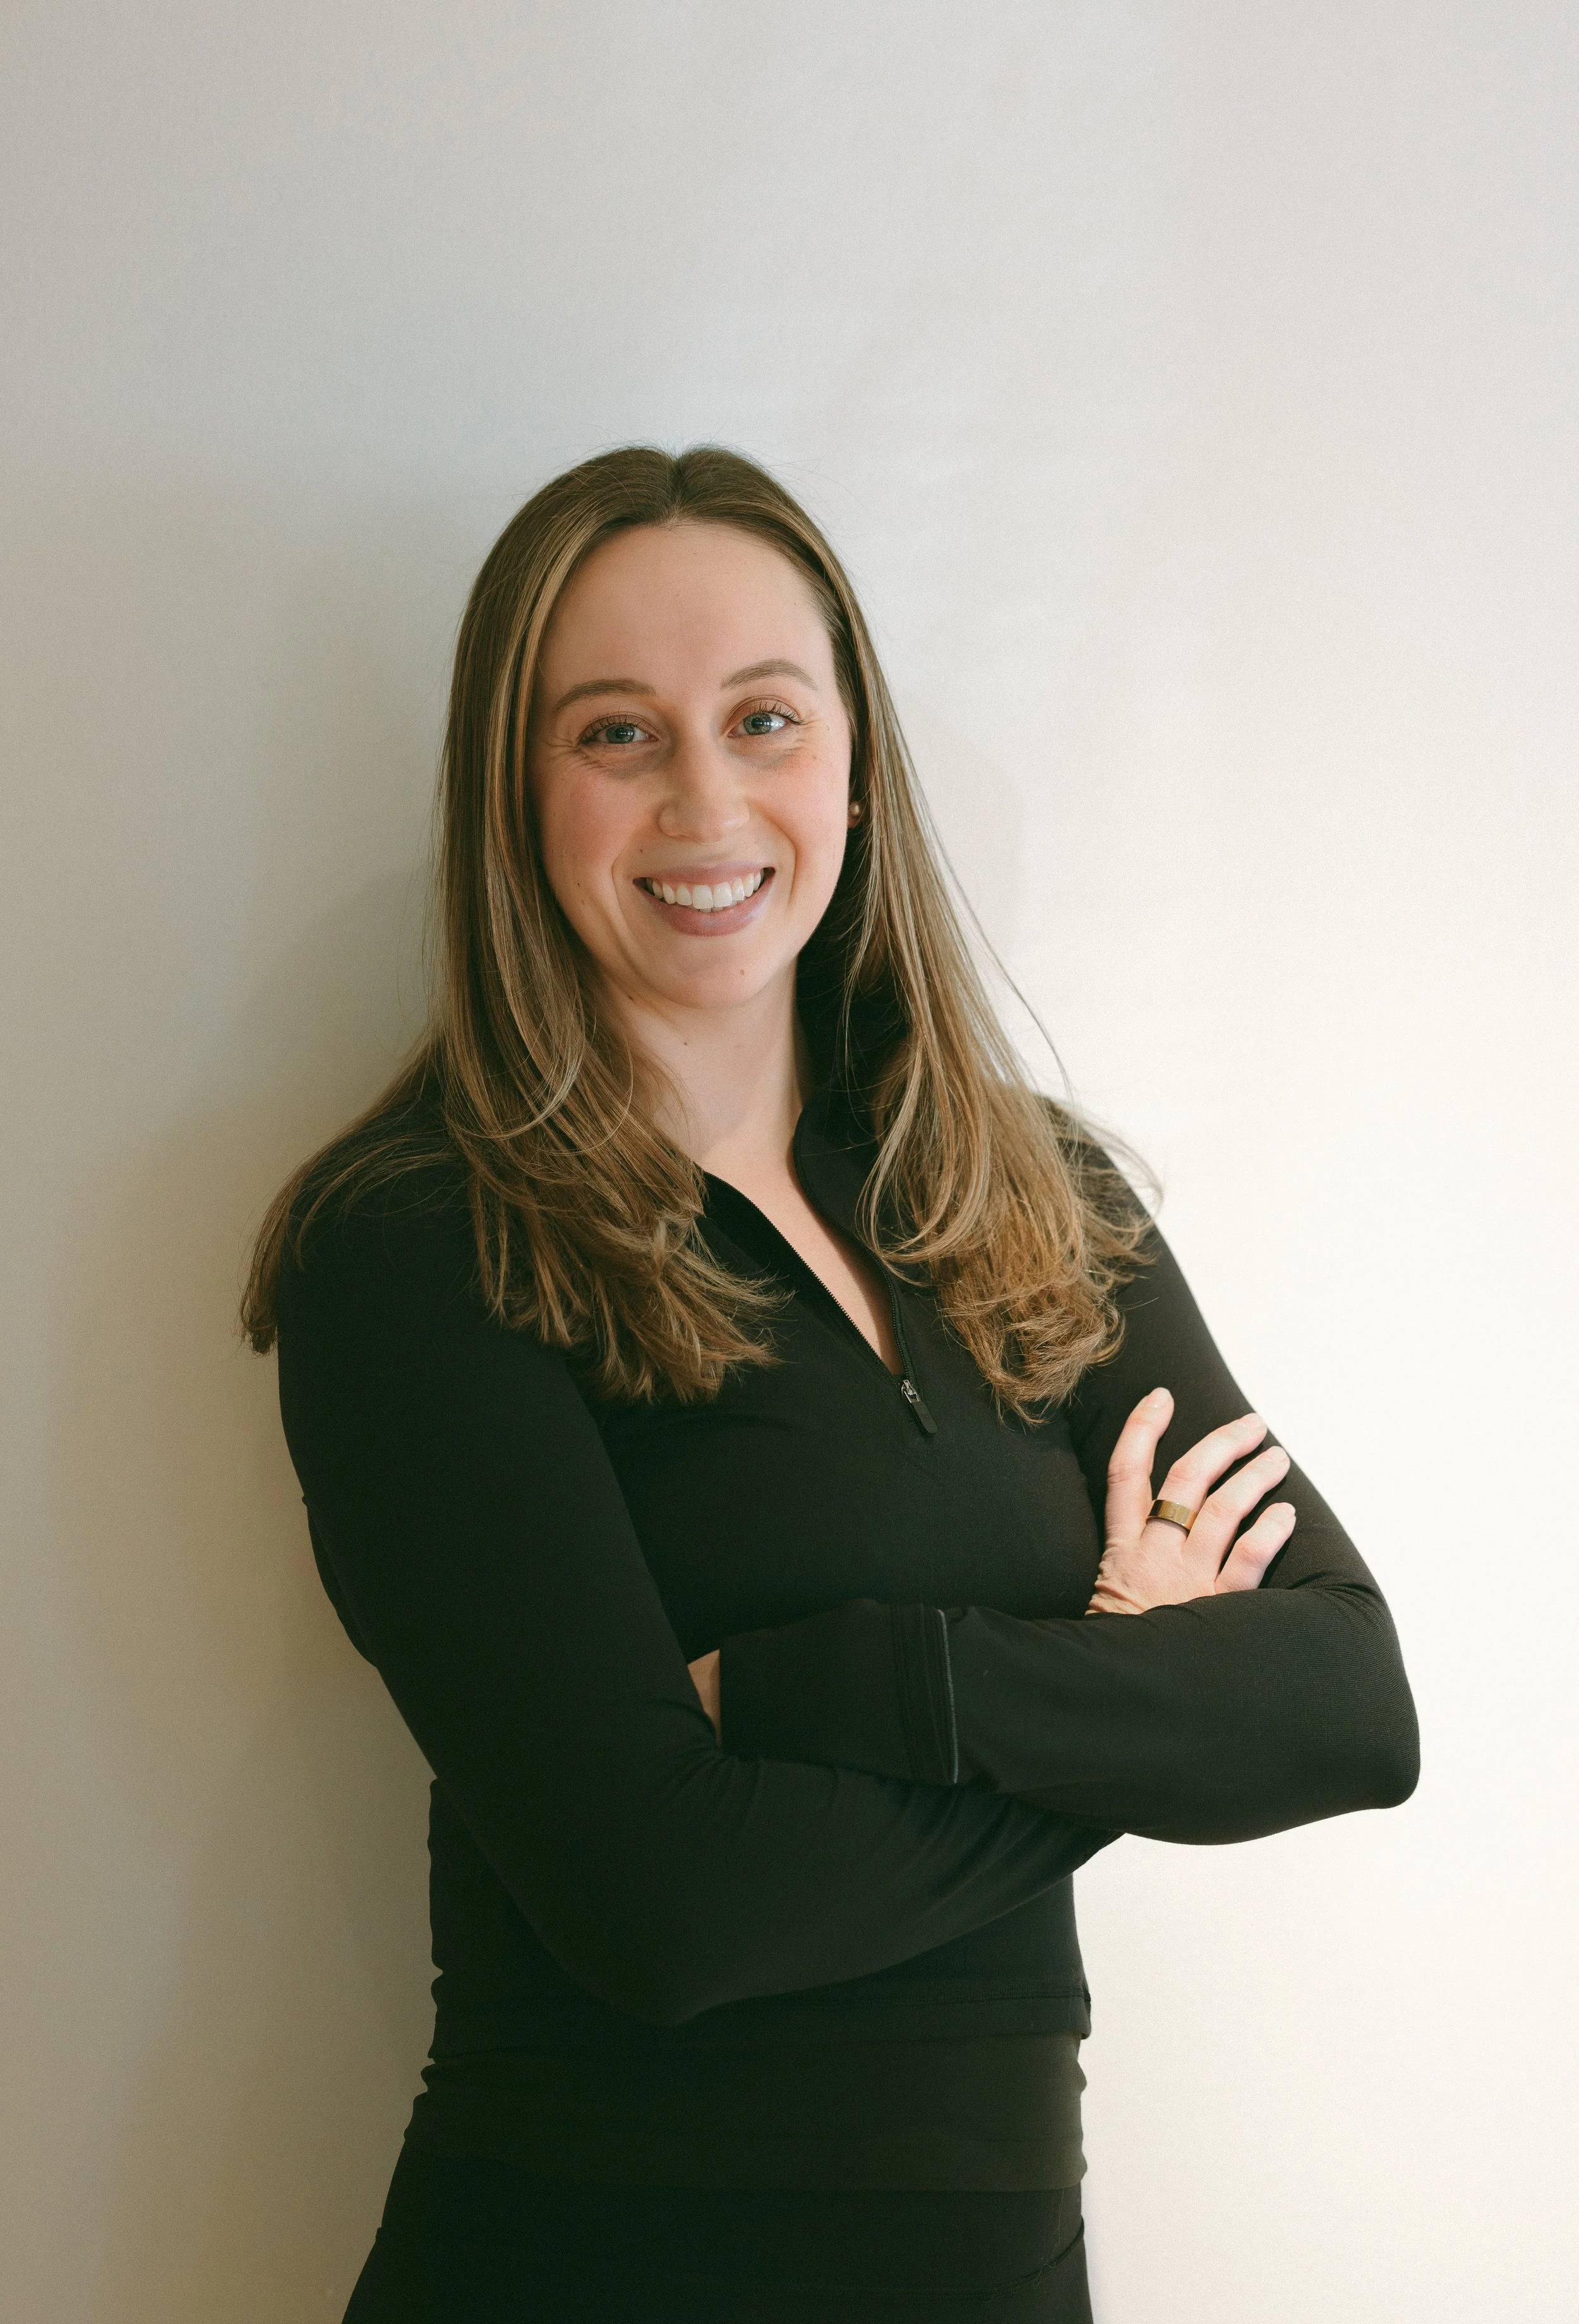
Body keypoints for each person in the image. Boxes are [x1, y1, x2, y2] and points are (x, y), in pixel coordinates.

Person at [243, 445, 1419, 2322]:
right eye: (614, 734)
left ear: (852, 768)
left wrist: (842, 1684)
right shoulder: (416, 1249)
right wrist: (1130, 1681)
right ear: (512, 794)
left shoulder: (1025, 1198)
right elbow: (666, 1912)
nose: (705, 799)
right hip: (585, 2265)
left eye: (762, 718)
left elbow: (1347, 1706)